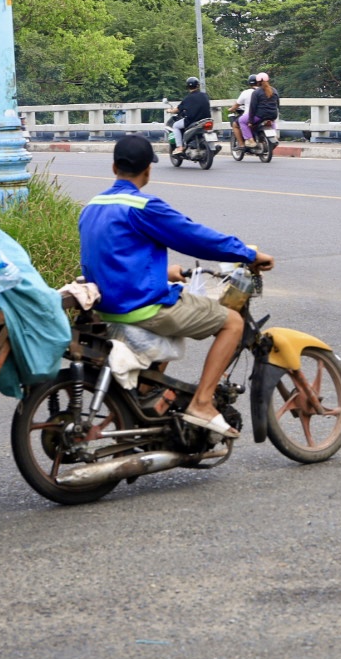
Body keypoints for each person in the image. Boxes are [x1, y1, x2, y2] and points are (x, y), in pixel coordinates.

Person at [79, 134, 275, 438]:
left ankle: (147, 406)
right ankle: (202, 403)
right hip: (140, 308)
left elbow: (114, 257)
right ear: (148, 170)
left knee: (180, 305)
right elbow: (195, 237)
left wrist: (162, 271)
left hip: (107, 306)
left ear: (114, 167)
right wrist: (248, 254)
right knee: (232, 323)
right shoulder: (143, 206)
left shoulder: (91, 206)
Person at [167, 76, 211, 150]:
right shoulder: (205, 95)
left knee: (175, 126)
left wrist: (170, 110)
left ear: (187, 87)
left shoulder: (187, 98)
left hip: (192, 121)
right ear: (198, 85)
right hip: (206, 119)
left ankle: (180, 147)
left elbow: (177, 110)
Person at [242, 73, 279, 148]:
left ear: (257, 82)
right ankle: (275, 136)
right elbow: (277, 105)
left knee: (241, 121)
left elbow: (253, 108)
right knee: (272, 121)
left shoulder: (256, 92)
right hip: (273, 115)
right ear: (268, 80)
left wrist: (250, 121)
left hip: (260, 116)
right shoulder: (274, 90)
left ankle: (251, 141)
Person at [232, 75, 260, 145]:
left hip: (251, 115)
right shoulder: (263, 91)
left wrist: (231, 109)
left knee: (235, 124)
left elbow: (237, 104)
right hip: (262, 114)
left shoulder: (246, 92)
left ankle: (242, 144)